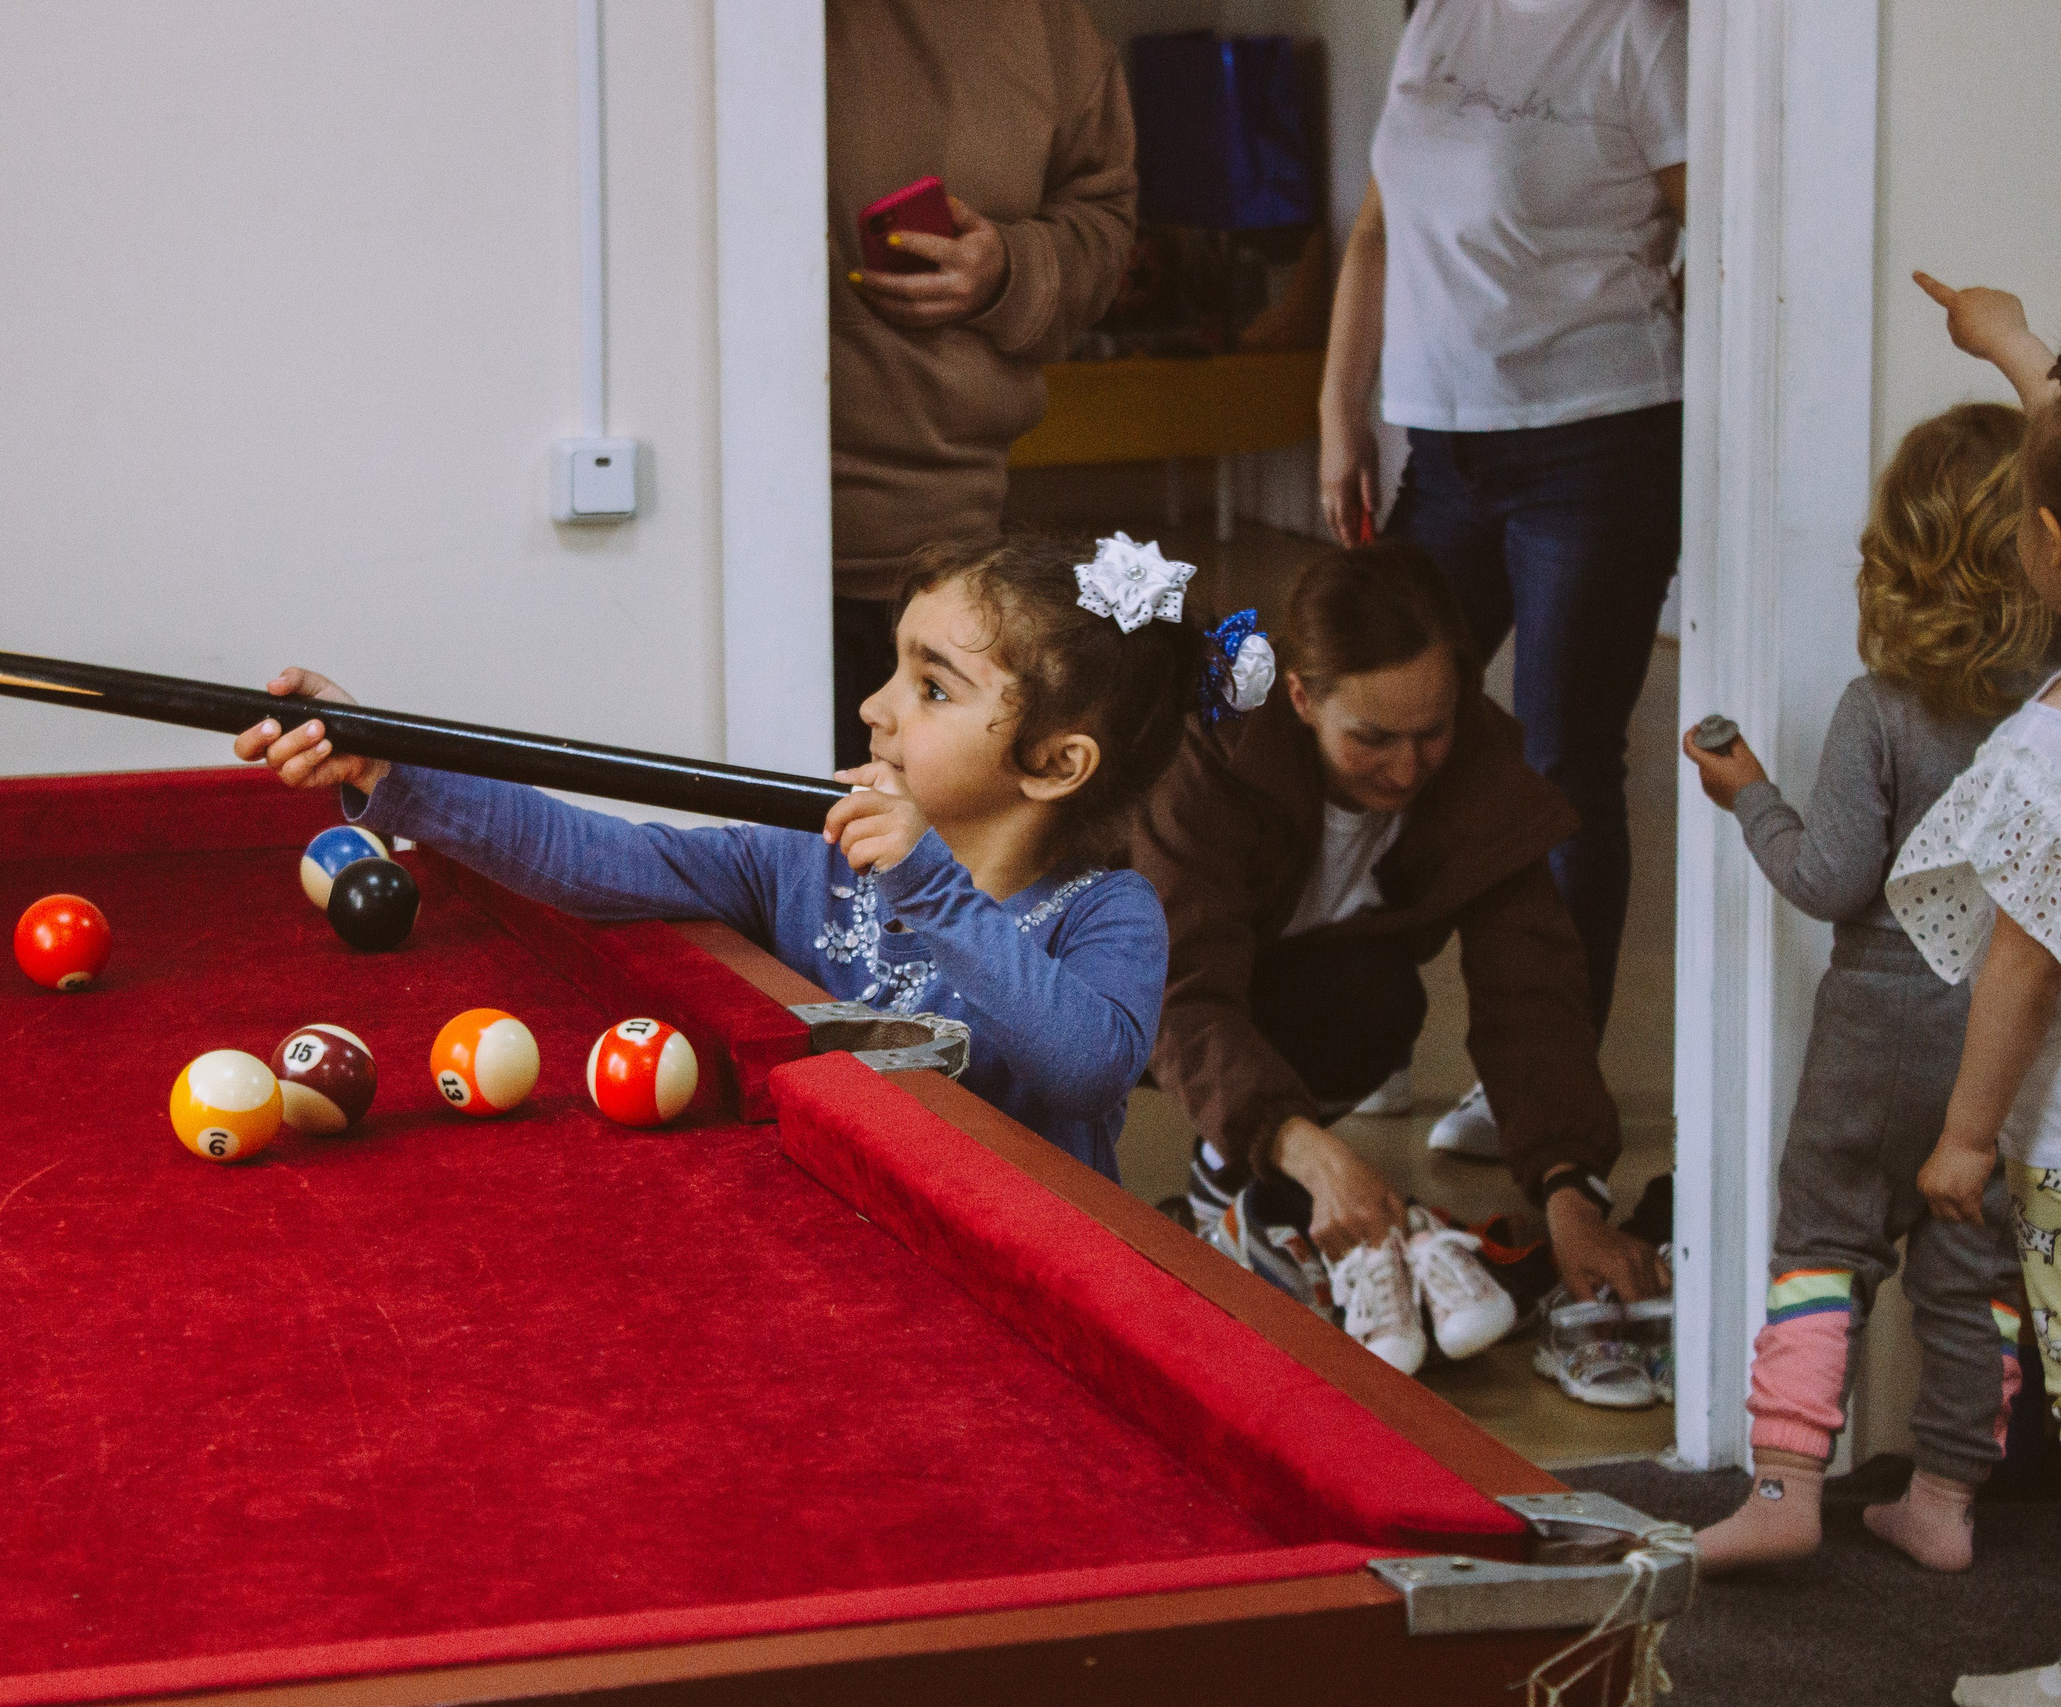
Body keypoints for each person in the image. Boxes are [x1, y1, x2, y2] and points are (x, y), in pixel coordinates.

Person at [237, 533, 1232, 1180]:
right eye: (894, 668)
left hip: (1039, 1274)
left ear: (1055, 765)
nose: (875, 705)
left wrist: (927, 881)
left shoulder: (1105, 912)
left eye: (932, 690)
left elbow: (1085, 1070)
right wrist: (394, 761)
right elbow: (593, 858)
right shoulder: (809, 856)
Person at [1128, 540, 1668, 1376]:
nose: (1409, 767)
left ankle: (1235, 1183)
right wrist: (1310, 1150)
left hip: (1280, 982)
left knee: (1376, 1000)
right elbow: (1177, 985)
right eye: (1374, 737)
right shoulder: (1212, 750)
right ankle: (1240, 1172)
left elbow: (1531, 990)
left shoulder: (1480, 768)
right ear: (1302, 698)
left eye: (1434, 730)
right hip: (1097, 978)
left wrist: (1571, 1190)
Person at [1318, 0, 1688, 1160]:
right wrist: (1339, 413)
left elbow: (1721, 244)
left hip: (1597, 440)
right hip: (1444, 448)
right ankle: (1357, 1029)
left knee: (1559, 759)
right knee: (1378, 732)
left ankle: (1542, 1084)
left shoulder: (1640, 33)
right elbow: (1377, 231)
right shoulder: (1439, 20)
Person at [1684, 402, 2040, 1577]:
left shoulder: (1879, 708)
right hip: (1997, 1047)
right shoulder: (2048, 707)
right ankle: (1942, 1499)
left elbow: (1831, 881)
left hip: (1873, 1028)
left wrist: (1747, 793)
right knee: (1969, 1267)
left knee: (1823, 1245)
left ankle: (1786, 1487)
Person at [1890, 280, 2061, 1707]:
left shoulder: (2052, 753)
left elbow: (2024, 951)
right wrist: (2013, 350)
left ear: (2050, 545)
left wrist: (1966, 1133)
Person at [827, 0, 1138, 771]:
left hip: (942, 542)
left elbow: (1105, 220)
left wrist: (1009, 268)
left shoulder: (1052, 31)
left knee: (909, 861)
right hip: (715, 528)